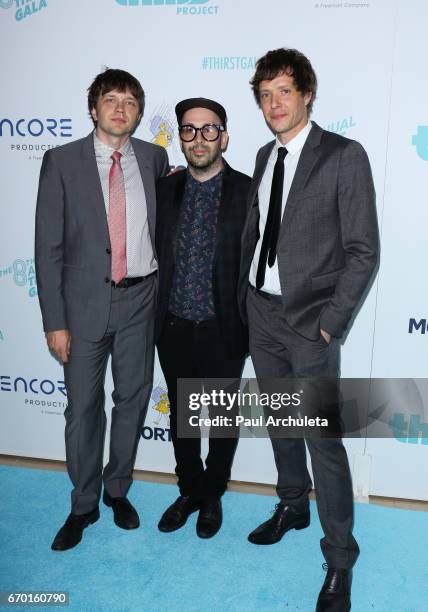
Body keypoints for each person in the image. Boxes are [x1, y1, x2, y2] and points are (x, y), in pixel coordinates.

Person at [239, 49, 379, 611]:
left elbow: (363, 251)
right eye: (265, 95)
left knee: (323, 440)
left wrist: (329, 325)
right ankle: (293, 505)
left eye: (284, 93)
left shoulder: (343, 156)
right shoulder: (261, 154)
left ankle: (340, 557)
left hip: (310, 324)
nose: (274, 104)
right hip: (261, 313)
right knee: (279, 422)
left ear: (307, 94)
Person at [35, 68, 169, 551]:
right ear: (93, 108)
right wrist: (55, 321)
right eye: (111, 100)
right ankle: (83, 503)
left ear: (138, 112)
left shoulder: (155, 158)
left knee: (132, 402)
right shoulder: (61, 161)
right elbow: (47, 249)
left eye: (131, 102)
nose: (120, 108)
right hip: (84, 306)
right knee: (83, 410)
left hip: (141, 300)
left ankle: (117, 490)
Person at [155, 98, 250, 538]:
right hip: (172, 326)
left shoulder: (250, 193)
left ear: (223, 137)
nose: (199, 138)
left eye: (209, 129)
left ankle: (212, 494)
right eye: (189, 130)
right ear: (180, 138)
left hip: (224, 328)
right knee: (182, 418)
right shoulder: (164, 190)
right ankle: (189, 490)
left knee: (222, 420)